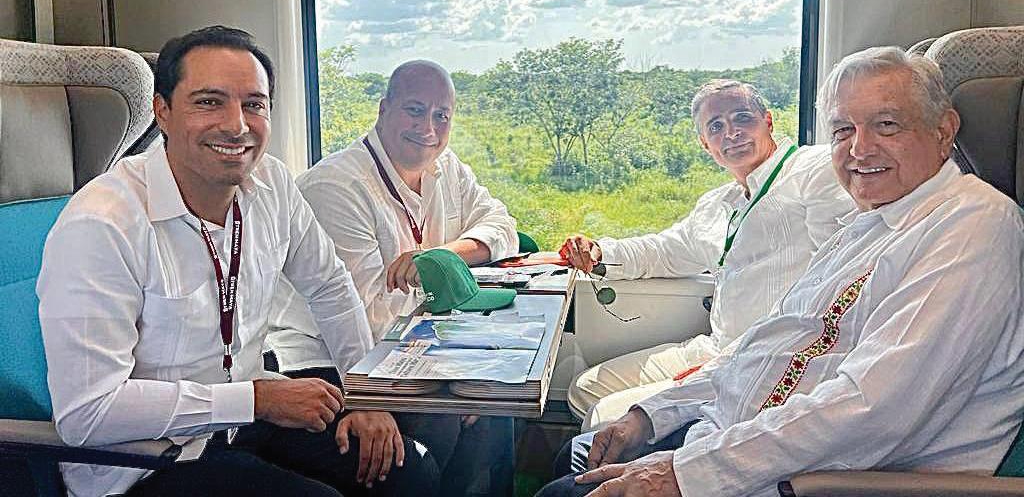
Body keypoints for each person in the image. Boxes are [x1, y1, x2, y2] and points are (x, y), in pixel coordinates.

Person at [537, 46, 1024, 497]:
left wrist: (684, 473)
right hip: (740, 438)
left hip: (818, 480)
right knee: (581, 453)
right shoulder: (867, 225)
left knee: (562, 491)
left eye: (887, 125)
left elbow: (874, 408)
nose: (860, 150)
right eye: (843, 131)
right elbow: (764, 344)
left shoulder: (971, 225)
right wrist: (649, 416)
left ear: (944, 130)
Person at [37, 26, 439, 497]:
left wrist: (363, 395)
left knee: (409, 470)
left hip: (241, 424)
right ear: (162, 111)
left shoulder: (271, 185)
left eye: (254, 104)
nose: (237, 125)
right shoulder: (103, 224)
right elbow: (88, 413)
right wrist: (255, 399)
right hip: (143, 463)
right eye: (209, 102)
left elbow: (328, 284)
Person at [266, 59, 518, 494]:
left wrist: (441, 255)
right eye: (415, 110)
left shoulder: (445, 168)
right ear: (383, 109)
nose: (429, 128)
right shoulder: (336, 188)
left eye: (442, 115)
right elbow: (365, 319)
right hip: (324, 358)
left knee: (497, 413)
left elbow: (503, 227)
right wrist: (455, 374)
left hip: (404, 346)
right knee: (440, 429)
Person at [561, 79, 855, 428]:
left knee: (604, 416)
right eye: (716, 127)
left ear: (768, 121)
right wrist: (598, 253)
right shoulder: (717, 204)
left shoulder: (814, 170)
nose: (731, 133)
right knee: (585, 389)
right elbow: (665, 251)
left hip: (766, 360)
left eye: (742, 118)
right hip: (716, 347)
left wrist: (725, 365)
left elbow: (833, 283)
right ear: (705, 144)